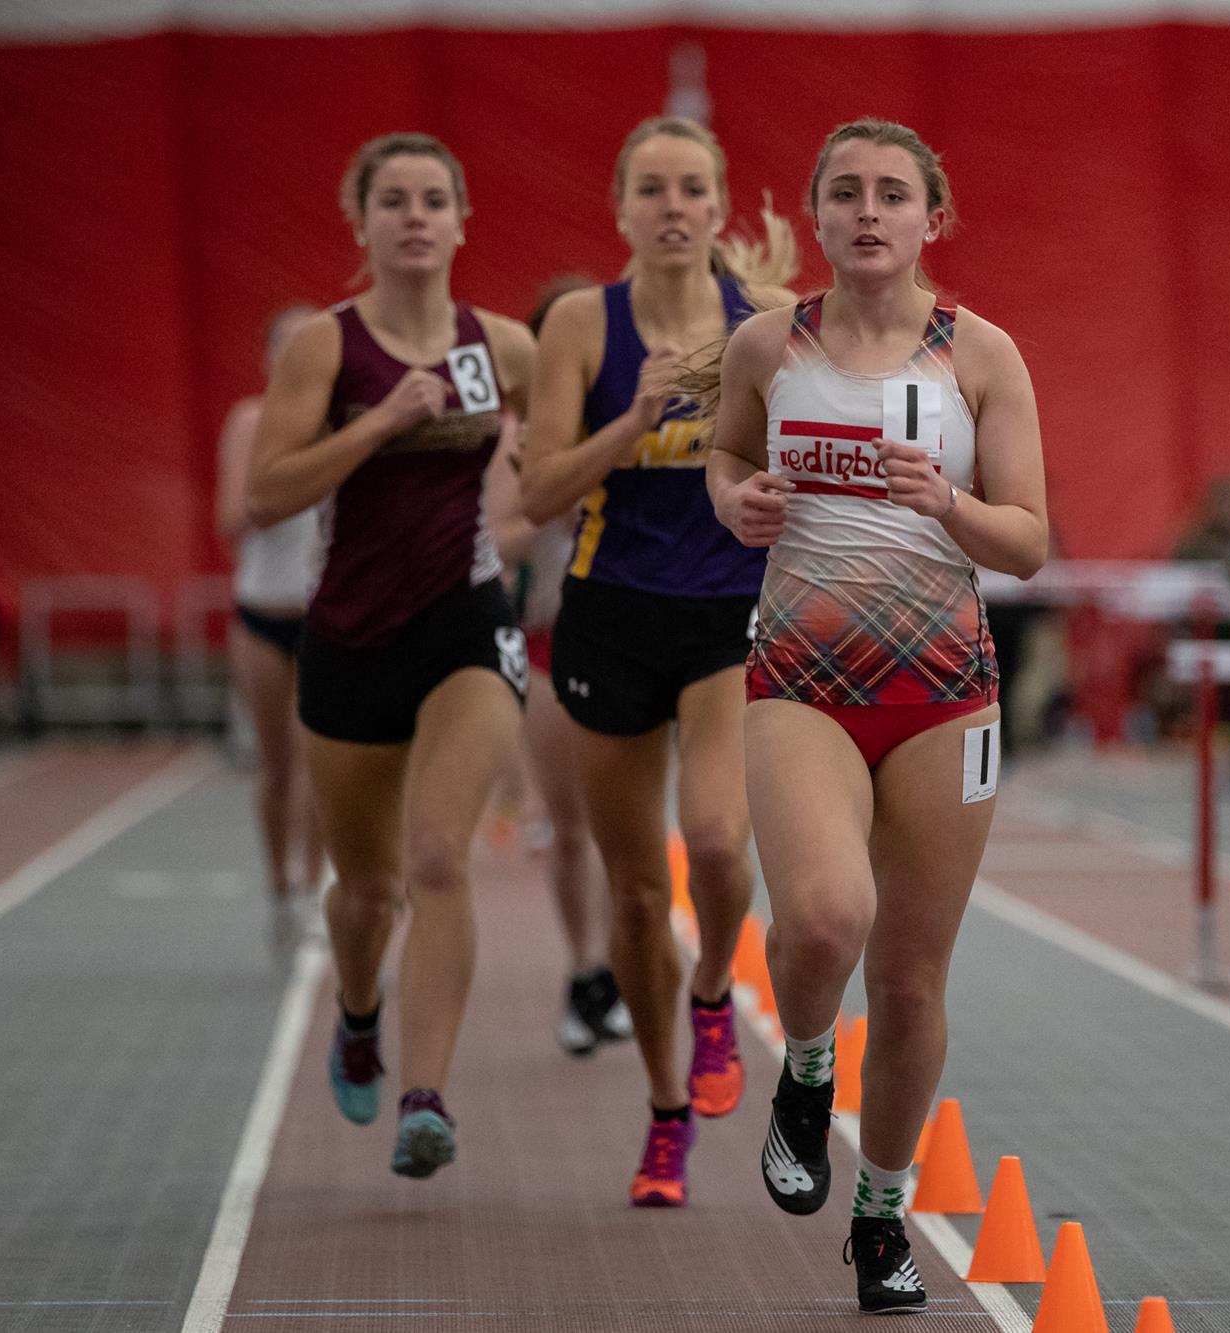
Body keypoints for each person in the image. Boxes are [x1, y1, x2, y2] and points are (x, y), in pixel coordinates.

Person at [704, 117, 1048, 1314]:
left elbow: (1030, 543)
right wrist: (734, 499)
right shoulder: (766, 344)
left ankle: (882, 1208)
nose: (867, 211)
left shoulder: (981, 358)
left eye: (891, 194)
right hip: (800, 678)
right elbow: (722, 457)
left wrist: (945, 501)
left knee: (907, 985)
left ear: (928, 218)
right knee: (819, 917)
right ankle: (804, 1068)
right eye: (844, 192)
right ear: (814, 214)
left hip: (945, 696)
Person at [246, 133, 533, 1180]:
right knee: (365, 891)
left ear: (461, 221)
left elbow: (560, 447)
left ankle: (425, 1097)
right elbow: (265, 495)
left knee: (437, 857)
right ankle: (358, 1010)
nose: (414, 217)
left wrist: (546, 498)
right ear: (360, 223)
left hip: (464, 621)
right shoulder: (324, 349)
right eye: (393, 202)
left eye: (432, 201)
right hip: (349, 636)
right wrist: (378, 426)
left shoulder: (503, 347)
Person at [521, 116, 796, 1208]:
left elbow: (805, 465)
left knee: (720, 840)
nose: (673, 206)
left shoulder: (764, 326)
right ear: (621, 207)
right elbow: (539, 493)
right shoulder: (583, 326)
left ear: (718, 205)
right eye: (652, 188)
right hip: (608, 616)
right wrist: (631, 421)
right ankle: (665, 1111)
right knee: (634, 898)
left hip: (727, 610)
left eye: (691, 187)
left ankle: (718, 990)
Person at [494, 275, 631, 1056]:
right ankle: (584, 970)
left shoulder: (637, 420)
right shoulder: (517, 437)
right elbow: (493, 539)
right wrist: (558, 499)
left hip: (632, 639)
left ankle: (618, 967)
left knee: (629, 829)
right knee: (570, 823)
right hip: (549, 637)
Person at [215, 302, 326, 953]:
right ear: (266, 358)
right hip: (261, 611)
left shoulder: (341, 420)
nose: (293, 359)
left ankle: (312, 888)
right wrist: (290, 480)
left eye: (306, 346)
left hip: (324, 615)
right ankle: (278, 886)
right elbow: (232, 516)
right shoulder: (249, 422)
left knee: (317, 758)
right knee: (277, 763)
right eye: (283, 346)